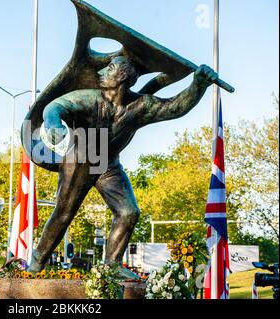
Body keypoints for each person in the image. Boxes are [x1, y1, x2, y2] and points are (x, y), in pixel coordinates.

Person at [28, 55, 218, 278]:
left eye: (108, 69)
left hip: (108, 165)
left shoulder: (141, 106)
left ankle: (111, 265)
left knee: (128, 212)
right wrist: (53, 123)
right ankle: (36, 263)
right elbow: (55, 106)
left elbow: (175, 107)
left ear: (123, 76)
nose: (101, 74)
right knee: (63, 215)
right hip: (79, 161)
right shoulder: (89, 98)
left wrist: (198, 85)